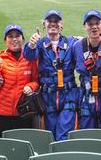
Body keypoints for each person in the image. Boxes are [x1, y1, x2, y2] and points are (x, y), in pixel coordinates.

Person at [24, 9, 78, 140]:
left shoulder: (71, 43)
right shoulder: (39, 44)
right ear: (44, 24)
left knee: (63, 135)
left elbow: (87, 47)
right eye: (50, 21)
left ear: (62, 25)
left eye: (56, 21)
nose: (53, 24)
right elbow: (29, 55)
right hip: (48, 97)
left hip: (68, 96)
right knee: (50, 134)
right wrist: (31, 44)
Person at [73, 9, 101, 130]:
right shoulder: (77, 46)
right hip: (86, 96)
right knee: (86, 131)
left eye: (97, 23)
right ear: (84, 26)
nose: (94, 27)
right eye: (90, 24)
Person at [0, 24, 39, 136]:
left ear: (23, 39)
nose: (14, 39)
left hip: (24, 113)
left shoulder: (30, 58)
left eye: (17, 36)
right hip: (2, 114)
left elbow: (36, 80)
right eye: (10, 36)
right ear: (5, 40)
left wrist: (31, 86)